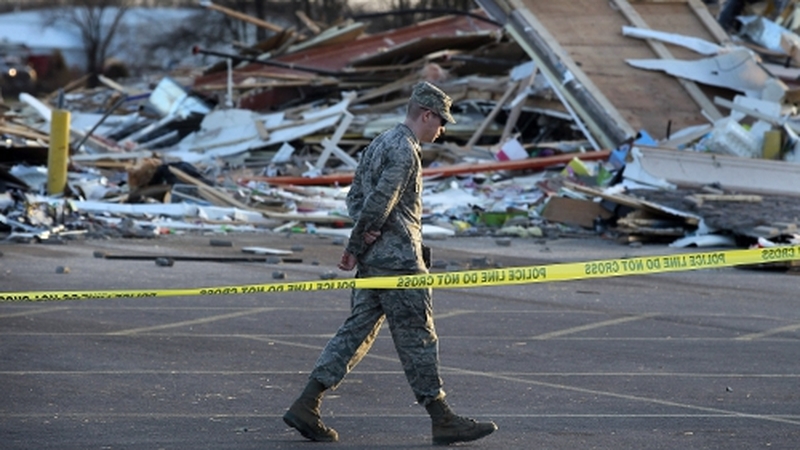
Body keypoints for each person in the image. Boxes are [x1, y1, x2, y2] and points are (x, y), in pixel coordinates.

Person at [282, 81, 498, 445]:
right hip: (399, 264)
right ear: (426, 115)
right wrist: (358, 241)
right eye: (441, 122)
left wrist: (365, 238)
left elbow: (354, 199)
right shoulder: (404, 151)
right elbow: (381, 200)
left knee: (354, 335)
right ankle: (442, 418)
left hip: (375, 262)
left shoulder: (380, 143)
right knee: (418, 338)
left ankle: (307, 403)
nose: (442, 130)